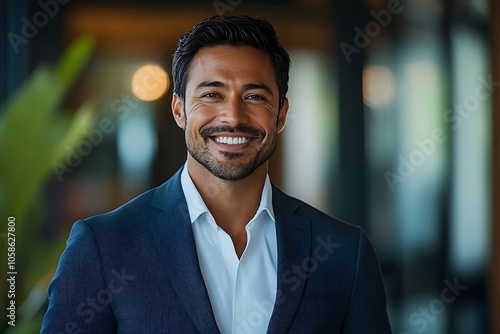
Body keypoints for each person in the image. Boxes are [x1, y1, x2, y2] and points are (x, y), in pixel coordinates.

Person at [41, 15, 392, 334]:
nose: (233, 116)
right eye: (211, 94)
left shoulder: (346, 253)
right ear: (179, 109)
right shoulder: (103, 246)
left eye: (254, 96)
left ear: (281, 115)